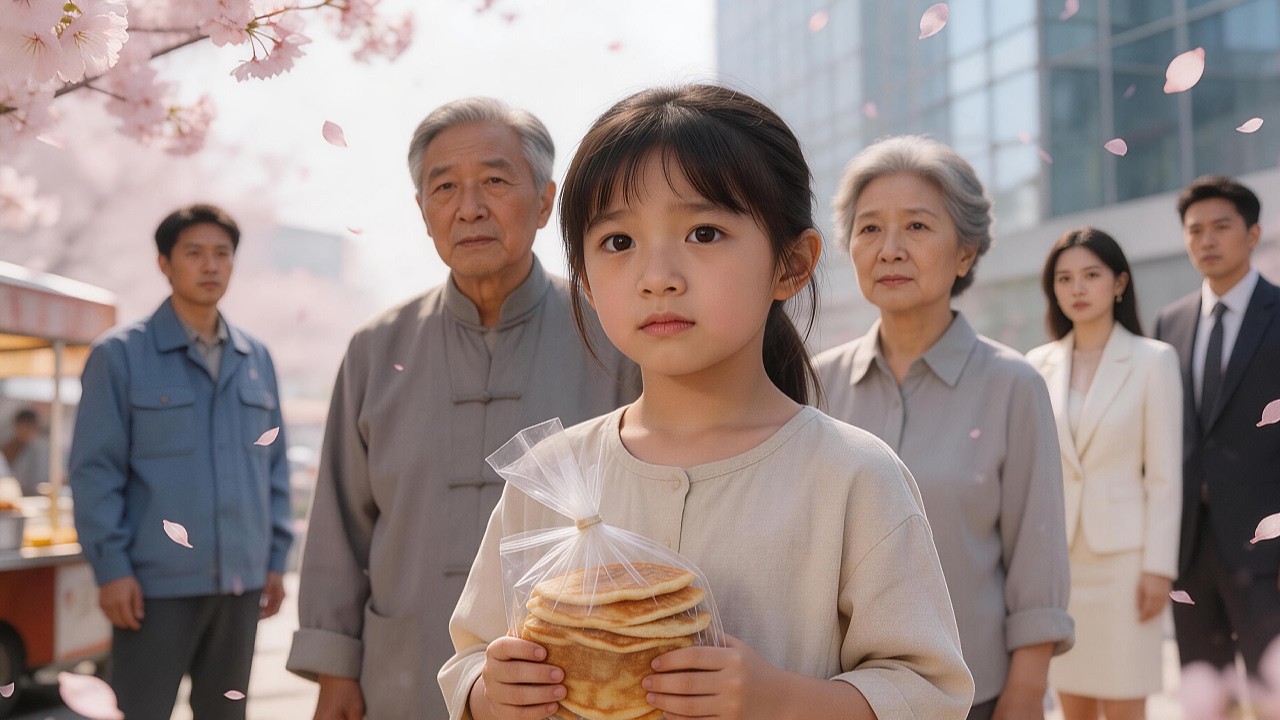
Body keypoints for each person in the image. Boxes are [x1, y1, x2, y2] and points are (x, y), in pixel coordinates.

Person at [440, 85, 974, 720]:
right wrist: (490, 692)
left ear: (791, 264)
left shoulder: (853, 474)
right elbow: (470, 654)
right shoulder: (552, 476)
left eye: (704, 231)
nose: (657, 274)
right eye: (618, 242)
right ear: (583, 274)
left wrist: (779, 699)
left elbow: (929, 692)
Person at [286, 97, 639, 720]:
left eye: (495, 181)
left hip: (569, 679)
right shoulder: (377, 348)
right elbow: (341, 521)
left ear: (544, 200)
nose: (468, 207)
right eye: (443, 186)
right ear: (422, 211)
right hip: (401, 671)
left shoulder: (612, 337)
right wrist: (334, 669)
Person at [814, 135, 1074, 720]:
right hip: (842, 697)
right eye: (870, 228)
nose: (890, 249)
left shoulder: (1013, 385)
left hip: (973, 700)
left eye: (918, 227)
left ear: (965, 253)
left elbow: (1037, 563)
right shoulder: (815, 386)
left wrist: (1025, 696)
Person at [69, 203, 292, 720]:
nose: (210, 265)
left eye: (222, 254)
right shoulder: (120, 356)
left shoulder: (255, 359)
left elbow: (274, 467)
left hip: (239, 587)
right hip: (151, 589)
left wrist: (275, 559)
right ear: (164, 263)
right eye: (194, 253)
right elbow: (94, 472)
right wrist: (111, 569)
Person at [1025, 228, 1181, 720]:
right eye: (1065, 278)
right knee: (1074, 705)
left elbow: (1164, 474)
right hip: (1060, 565)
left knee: (1124, 702)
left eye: (1091, 275)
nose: (1078, 288)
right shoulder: (1035, 365)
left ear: (1118, 283)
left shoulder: (1153, 360)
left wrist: (1159, 567)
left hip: (1125, 566)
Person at [1153, 175, 1280, 679]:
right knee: (1203, 691)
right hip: (1190, 550)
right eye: (1194, 229)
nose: (1206, 240)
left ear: (1252, 234)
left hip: (1267, 550)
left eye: (1221, 227)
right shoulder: (1170, 322)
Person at [2, 408, 50, 496]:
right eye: (23, 427)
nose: (26, 432)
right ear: (16, 426)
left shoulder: (37, 451)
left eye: (29, 428)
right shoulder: (7, 449)